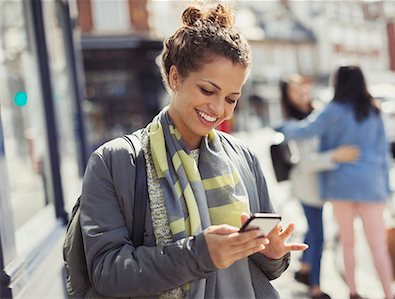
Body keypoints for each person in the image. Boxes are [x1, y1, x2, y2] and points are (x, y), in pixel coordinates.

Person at [79, 4, 307, 298]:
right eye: (207, 90)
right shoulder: (115, 161)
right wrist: (198, 255)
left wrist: (273, 254)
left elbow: (266, 269)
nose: (218, 109)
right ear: (175, 78)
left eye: (231, 98)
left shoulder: (244, 157)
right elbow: (107, 273)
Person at [277, 66, 394, 299]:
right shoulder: (373, 110)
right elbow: (384, 154)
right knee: (378, 247)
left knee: (347, 244)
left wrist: (281, 128)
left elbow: (304, 131)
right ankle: (389, 295)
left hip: (341, 186)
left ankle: (352, 292)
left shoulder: (332, 110)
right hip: (372, 185)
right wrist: (388, 189)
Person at [280, 74, 360, 299]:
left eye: (302, 86)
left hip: (318, 184)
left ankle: (305, 269)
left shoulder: (316, 111)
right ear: (287, 97)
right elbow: (307, 162)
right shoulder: (294, 124)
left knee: (313, 231)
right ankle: (315, 287)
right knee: (317, 234)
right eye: (294, 90)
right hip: (308, 186)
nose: (302, 92)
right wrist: (337, 155)